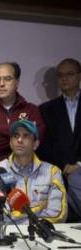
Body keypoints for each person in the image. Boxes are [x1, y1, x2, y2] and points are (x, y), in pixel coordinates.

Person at [0, 119, 67, 224]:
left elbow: (58, 214)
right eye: (16, 136)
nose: (19, 140)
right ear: (10, 143)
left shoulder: (52, 172)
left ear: (36, 144)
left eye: (25, 136)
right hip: (10, 235)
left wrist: (17, 214)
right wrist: (40, 208)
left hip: (43, 235)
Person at [0, 62, 45, 176]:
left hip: (26, 176)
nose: (1, 84)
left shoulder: (32, 110)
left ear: (17, 82)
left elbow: (36, 139)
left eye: (7, 79)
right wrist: (21, 136)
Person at [38, 58, 81, 221]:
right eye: (60, 75)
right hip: (58, 176)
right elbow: (45, 146)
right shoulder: (46, 109)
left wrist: (78, 165)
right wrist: (63, 166)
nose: (64, 78)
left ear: (79, 76)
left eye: (69, 74)